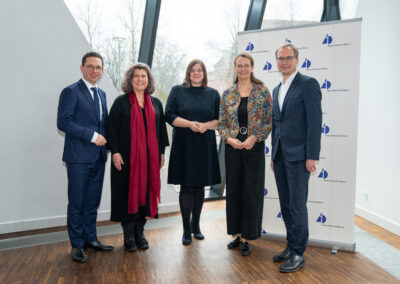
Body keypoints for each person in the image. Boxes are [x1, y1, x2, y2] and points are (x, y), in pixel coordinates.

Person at [57, 51, 113, 263]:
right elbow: (64, 122)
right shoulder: (71, 92)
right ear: (82, 68)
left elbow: (103, 125)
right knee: (77, 202)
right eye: (90, 66)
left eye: (98, 67)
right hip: (78, 158)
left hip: (98, 158)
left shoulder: (102, 94)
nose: (94, 70)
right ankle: (77, 244)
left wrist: (111, 146)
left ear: (102, 70)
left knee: (92, 202)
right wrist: (92, 136)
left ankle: (91, 239)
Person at [106, 63, 169, 252]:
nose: (140, 79)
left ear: (148, 80)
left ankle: (140, 233)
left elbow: (161, 131)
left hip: (150, 161)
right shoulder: (121, 102)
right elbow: (111, 129)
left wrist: (162, 153)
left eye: (144, 76)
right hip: (126, 161)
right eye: (136, 76)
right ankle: (128, 236)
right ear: (130, 80)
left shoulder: (156, 103)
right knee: (126, 196)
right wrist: (115, 152)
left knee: (146, 196)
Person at [270, 43, 322, 273]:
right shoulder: (276, 89)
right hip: (280, 156)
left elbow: (314, 124)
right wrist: (274, 154)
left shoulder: (308, 84)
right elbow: (276, 125)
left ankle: (299, 253)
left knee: (298, 206)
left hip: (300, 158)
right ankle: (291, 247)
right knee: (286, 205)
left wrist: (312, 155)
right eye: (281, 58)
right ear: (276, 61)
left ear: (297, 59)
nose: (284, 61)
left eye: (288, 58)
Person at [218, 52, 272, 256]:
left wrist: (254, 138)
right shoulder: (228, 94)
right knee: (234, 192)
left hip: (253, 148)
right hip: (233, 149)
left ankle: (249, 237)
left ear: (252, 67)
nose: (243, 69)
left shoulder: (262, 92)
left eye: (246, 65)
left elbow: (268, 121)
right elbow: (222, 123)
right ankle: (237, 235)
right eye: (239, 66)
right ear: (235, 68)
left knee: (251, 192)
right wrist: (229, 139)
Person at [165, 59, 221, 245]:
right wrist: (190, 124)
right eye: (192, 70)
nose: (196, 73)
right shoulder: (177, 90)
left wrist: (205, 126)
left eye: (200, 70)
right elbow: (169, 115)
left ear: (204, 73)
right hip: (184, 144)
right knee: (187, 186)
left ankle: (196, 225)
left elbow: (220, 120)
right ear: (188, 73)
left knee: (199, 187)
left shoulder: (213, 93)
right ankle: (186, 229)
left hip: (204, 144)